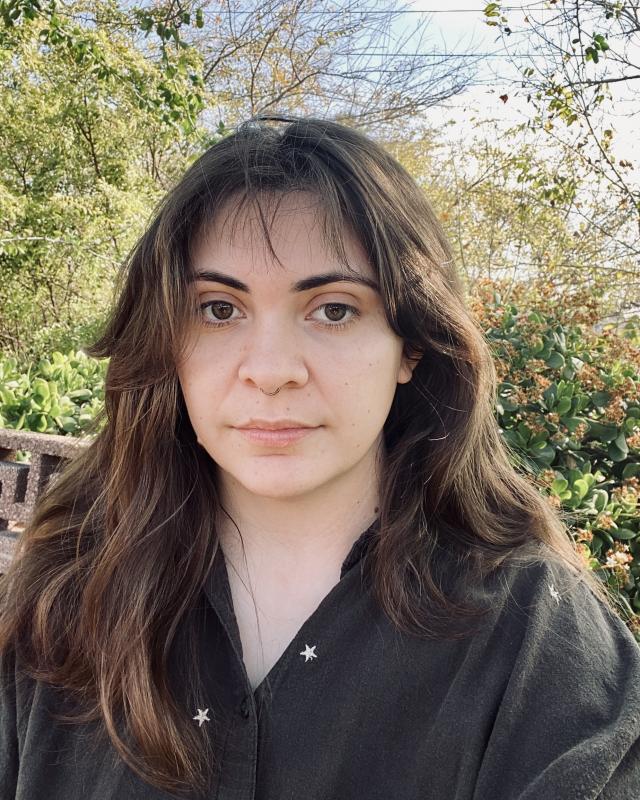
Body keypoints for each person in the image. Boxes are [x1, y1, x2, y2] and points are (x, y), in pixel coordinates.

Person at [1, 115, 639, 800]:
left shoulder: (534, 639)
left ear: (412, 345)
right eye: (218, 309)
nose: (271, 370)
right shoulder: (67, 595)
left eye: (333, 310)